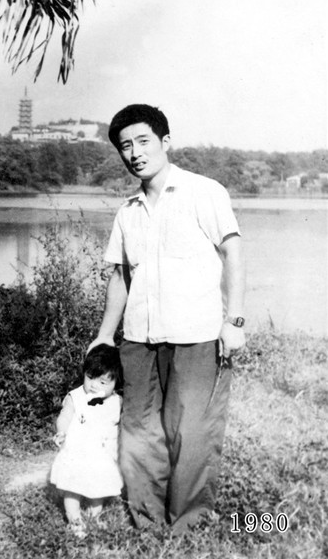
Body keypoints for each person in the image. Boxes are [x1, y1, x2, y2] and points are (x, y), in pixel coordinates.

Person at [88, 104, 246, 534]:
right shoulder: (128, 211)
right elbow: (120, 275)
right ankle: (146, 520)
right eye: (125, 146)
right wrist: (104, 335)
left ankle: (187, 526)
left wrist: (234, 321)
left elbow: (233, 252)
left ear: (165, 142)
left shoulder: (204, 191)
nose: (135, 153)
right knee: (140, 431)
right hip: (138, 338)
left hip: (195, 336)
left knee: (191, 433)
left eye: (143, 141)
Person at [50, 344, 123, 538]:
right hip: (77, 453)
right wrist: (61, 431)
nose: (93, 385)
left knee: (98, 489)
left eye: (103, 382)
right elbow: (64, 417)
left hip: (102, 456)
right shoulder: (77, 397)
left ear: (115, 383)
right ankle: (74, 520)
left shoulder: (117, 402)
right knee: (72, 489)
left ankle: (93, 517)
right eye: (90, 377)